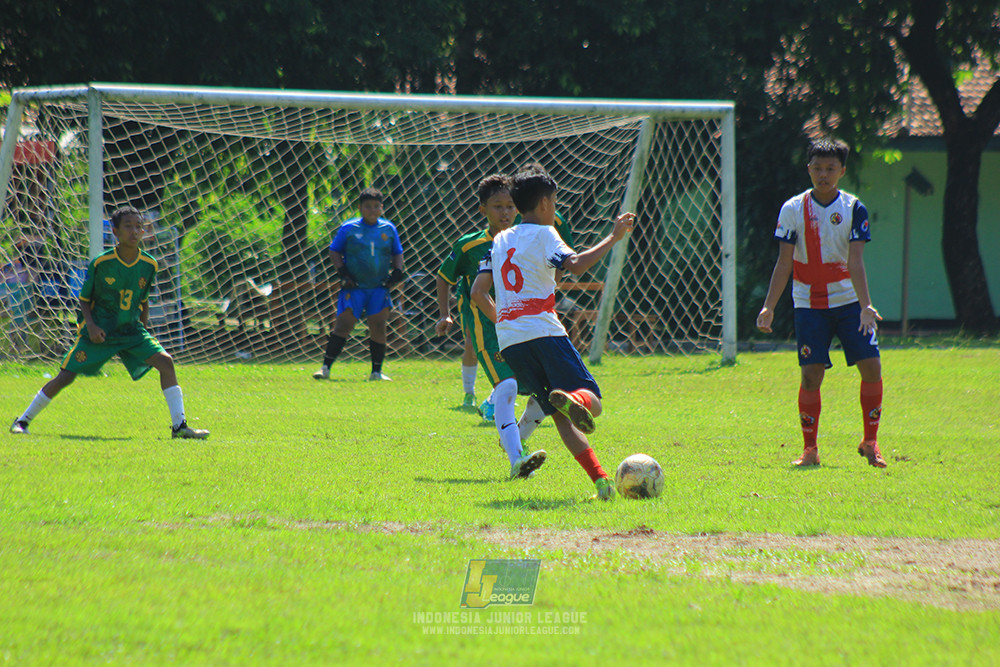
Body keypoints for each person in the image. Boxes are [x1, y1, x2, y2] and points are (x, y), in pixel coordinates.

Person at [471, 170, 635, 500]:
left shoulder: (499, 240)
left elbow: (478, 291)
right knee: (594, 402)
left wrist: (505, 321)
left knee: (560, 415)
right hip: (544, 331)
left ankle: (601, 482)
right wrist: (614, 237)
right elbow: (575, 264)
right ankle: (576, 399)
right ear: (546, 203)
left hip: (510, 339)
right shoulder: (546, 233)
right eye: (555, 201)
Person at [9, 206, 209, 439]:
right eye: (128, 226)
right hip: (100, 330)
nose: (134, 231)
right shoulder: (101, 263)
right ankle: (23, 420)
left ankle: (180, 427)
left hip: (130, 330)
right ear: (115, 231)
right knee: (66, 376)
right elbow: (84, 300)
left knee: (166, 362)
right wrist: (91, 327)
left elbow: (142, 300)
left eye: (138, 226)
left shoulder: (149, 264)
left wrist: (143, 329)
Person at [756, 138, 885, 468]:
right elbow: (784, 262)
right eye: (817, 168)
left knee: (871, 367)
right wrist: (769, 306)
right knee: (811, 376)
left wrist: (866, 306)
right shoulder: (793, 209)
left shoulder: (854, 208)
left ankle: (870, 441)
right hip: (808, 304)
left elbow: (856, 261)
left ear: (841, 171)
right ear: (809, 169)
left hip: (850, 303)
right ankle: (810, 449)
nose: (823, 175)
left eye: (830, 169)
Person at [436, 174, 548, 479]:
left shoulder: (527, 238)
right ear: (483, 208)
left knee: (547, 392)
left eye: (510, 206)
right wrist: (445, 314)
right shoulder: (469, 245)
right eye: (497, 206)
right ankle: (517, 462)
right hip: (485, 327)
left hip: (524, 325)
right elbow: (444, 278)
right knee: (508, 386)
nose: (505, 212)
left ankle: (515, 437)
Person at [313, 188, 404, 382]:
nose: (372, 210)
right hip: (354, 287)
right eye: (367, 206)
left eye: (376, 206)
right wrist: (343, 272)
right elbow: (334, 250)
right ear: (360, 208)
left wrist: (397, 271)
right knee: (343, 325)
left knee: (378, 326)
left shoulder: (388, 228)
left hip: (379, 287)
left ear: (381, 208)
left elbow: (397, 252)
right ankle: (325, 368)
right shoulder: (349, 228)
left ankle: (376, 372)